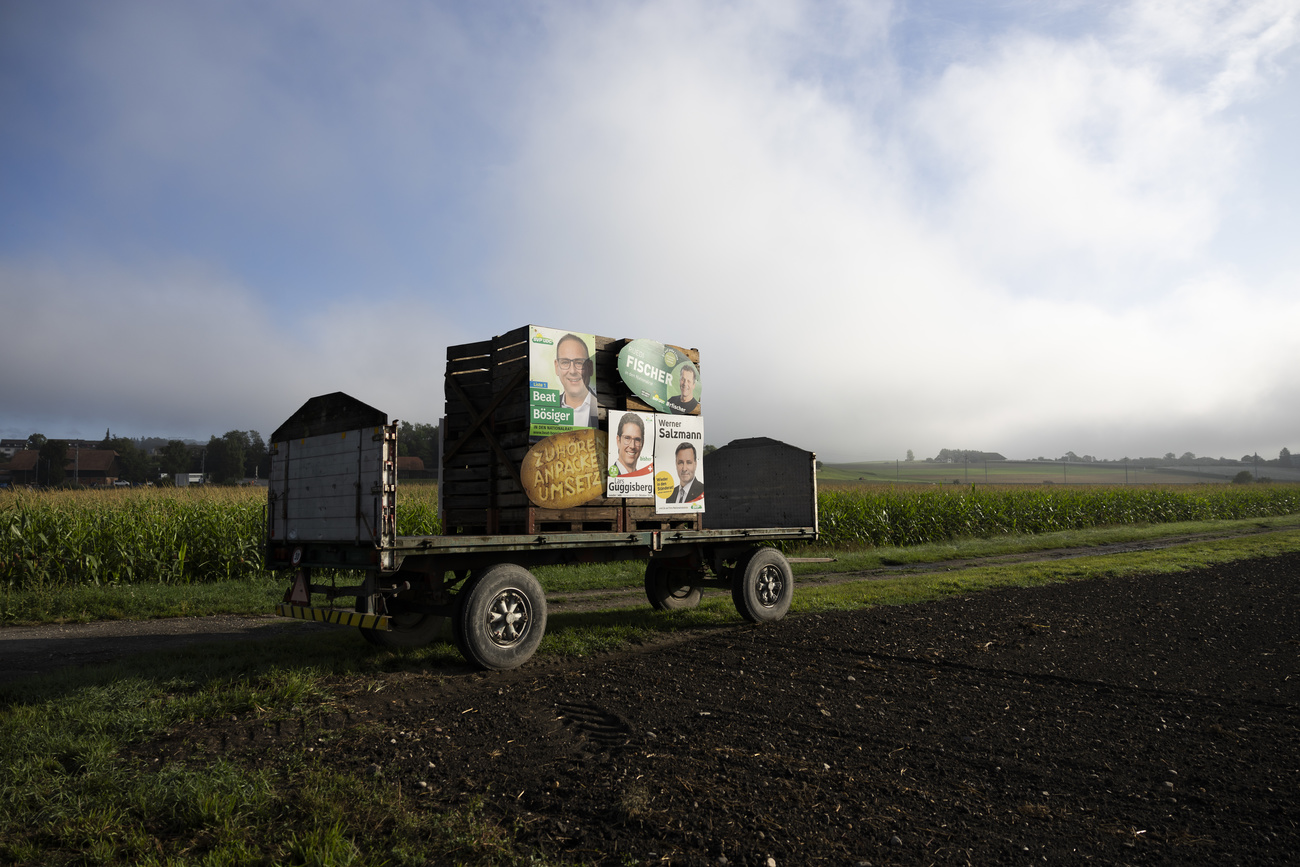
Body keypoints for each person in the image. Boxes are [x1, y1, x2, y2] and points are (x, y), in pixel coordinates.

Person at [554, 333, 598, 428]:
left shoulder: (603, 409)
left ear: (590, 367)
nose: (572, 371)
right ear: (556, 366)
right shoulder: (545, 411)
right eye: (565, 362)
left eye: (579, 363)